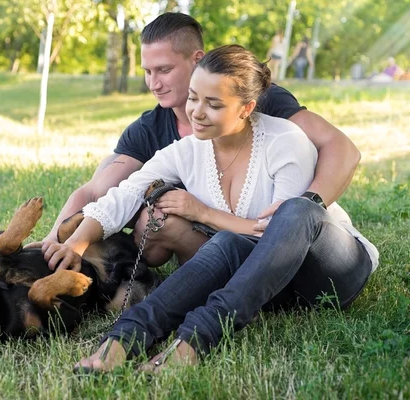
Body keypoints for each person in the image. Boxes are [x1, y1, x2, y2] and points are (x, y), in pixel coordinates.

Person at [48, 45, 378, 374]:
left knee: (297, 210)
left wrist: (203, 213)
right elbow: (125, 194)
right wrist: (76, 243)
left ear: (247, 107)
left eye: (214, 104)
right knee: (226, 243)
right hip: (268, 288)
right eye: (193, 98)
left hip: (328, 272)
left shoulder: (285, 141)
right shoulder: (187, 151)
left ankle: (197, 338)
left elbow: (277, 236)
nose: (197, 112)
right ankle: (126, 335)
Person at [27, 13, 361, 271]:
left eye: (164, 70)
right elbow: (97, 191)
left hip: (281, 237)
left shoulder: (257, 100)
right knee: (150, 217)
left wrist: (303, 210)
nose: (153, 84)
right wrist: (57, 241)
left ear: (196, 59)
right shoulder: (151, 129)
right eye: (147, 71)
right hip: (201, 239)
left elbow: (341, 148)